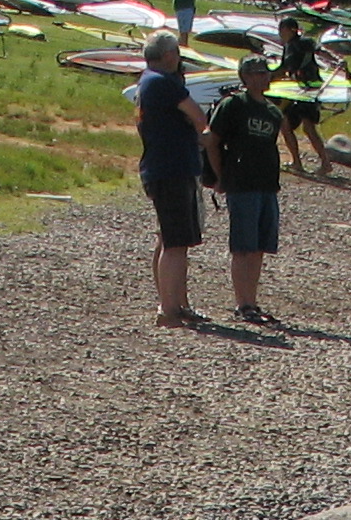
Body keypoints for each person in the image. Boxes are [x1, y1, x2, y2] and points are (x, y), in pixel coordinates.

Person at [135, 30, 221, 328]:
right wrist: (205, 137)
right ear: (170, 54)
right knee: (176, 243)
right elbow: (199, 117)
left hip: (161, 166)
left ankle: (176, 302)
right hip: (173, 169)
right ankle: (169, 308)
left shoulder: (147, 82)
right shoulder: (163, 83)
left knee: (168, 238)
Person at [208, 55, 286, 323]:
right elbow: (212, 140)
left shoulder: (273, 112)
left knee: (259, 246)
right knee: (243, 246)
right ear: (246, 77)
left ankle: (252, 301)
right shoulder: (233, 105)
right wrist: (219, 176)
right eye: (258, 73)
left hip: (267, 185)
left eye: (266, 72)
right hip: (241, 184)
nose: (265, 77)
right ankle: (242, 304)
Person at [272, 13, 325, 176]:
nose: (280, 33)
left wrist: (268, 77)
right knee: (285, 124)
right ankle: (297, 162)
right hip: (300, 91)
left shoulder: (301, 44)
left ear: (290, 30)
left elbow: (319, 50)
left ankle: (325, 163)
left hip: (309, 90)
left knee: (308, 127)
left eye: (282, 30)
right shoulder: (291, 46)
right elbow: (285, 68)